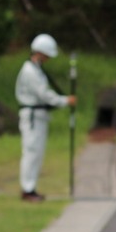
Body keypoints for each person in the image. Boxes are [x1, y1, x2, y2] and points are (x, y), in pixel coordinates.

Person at [15, 33, 76, 202]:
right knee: (31, 151)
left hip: (40, 116)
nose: (49, 58)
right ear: (41, 52)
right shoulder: (30, 71)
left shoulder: (37, 69)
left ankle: (31, 187)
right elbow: (44, 94)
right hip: (33, 117)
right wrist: (64, 101)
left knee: (37, 153)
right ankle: (27, 189)